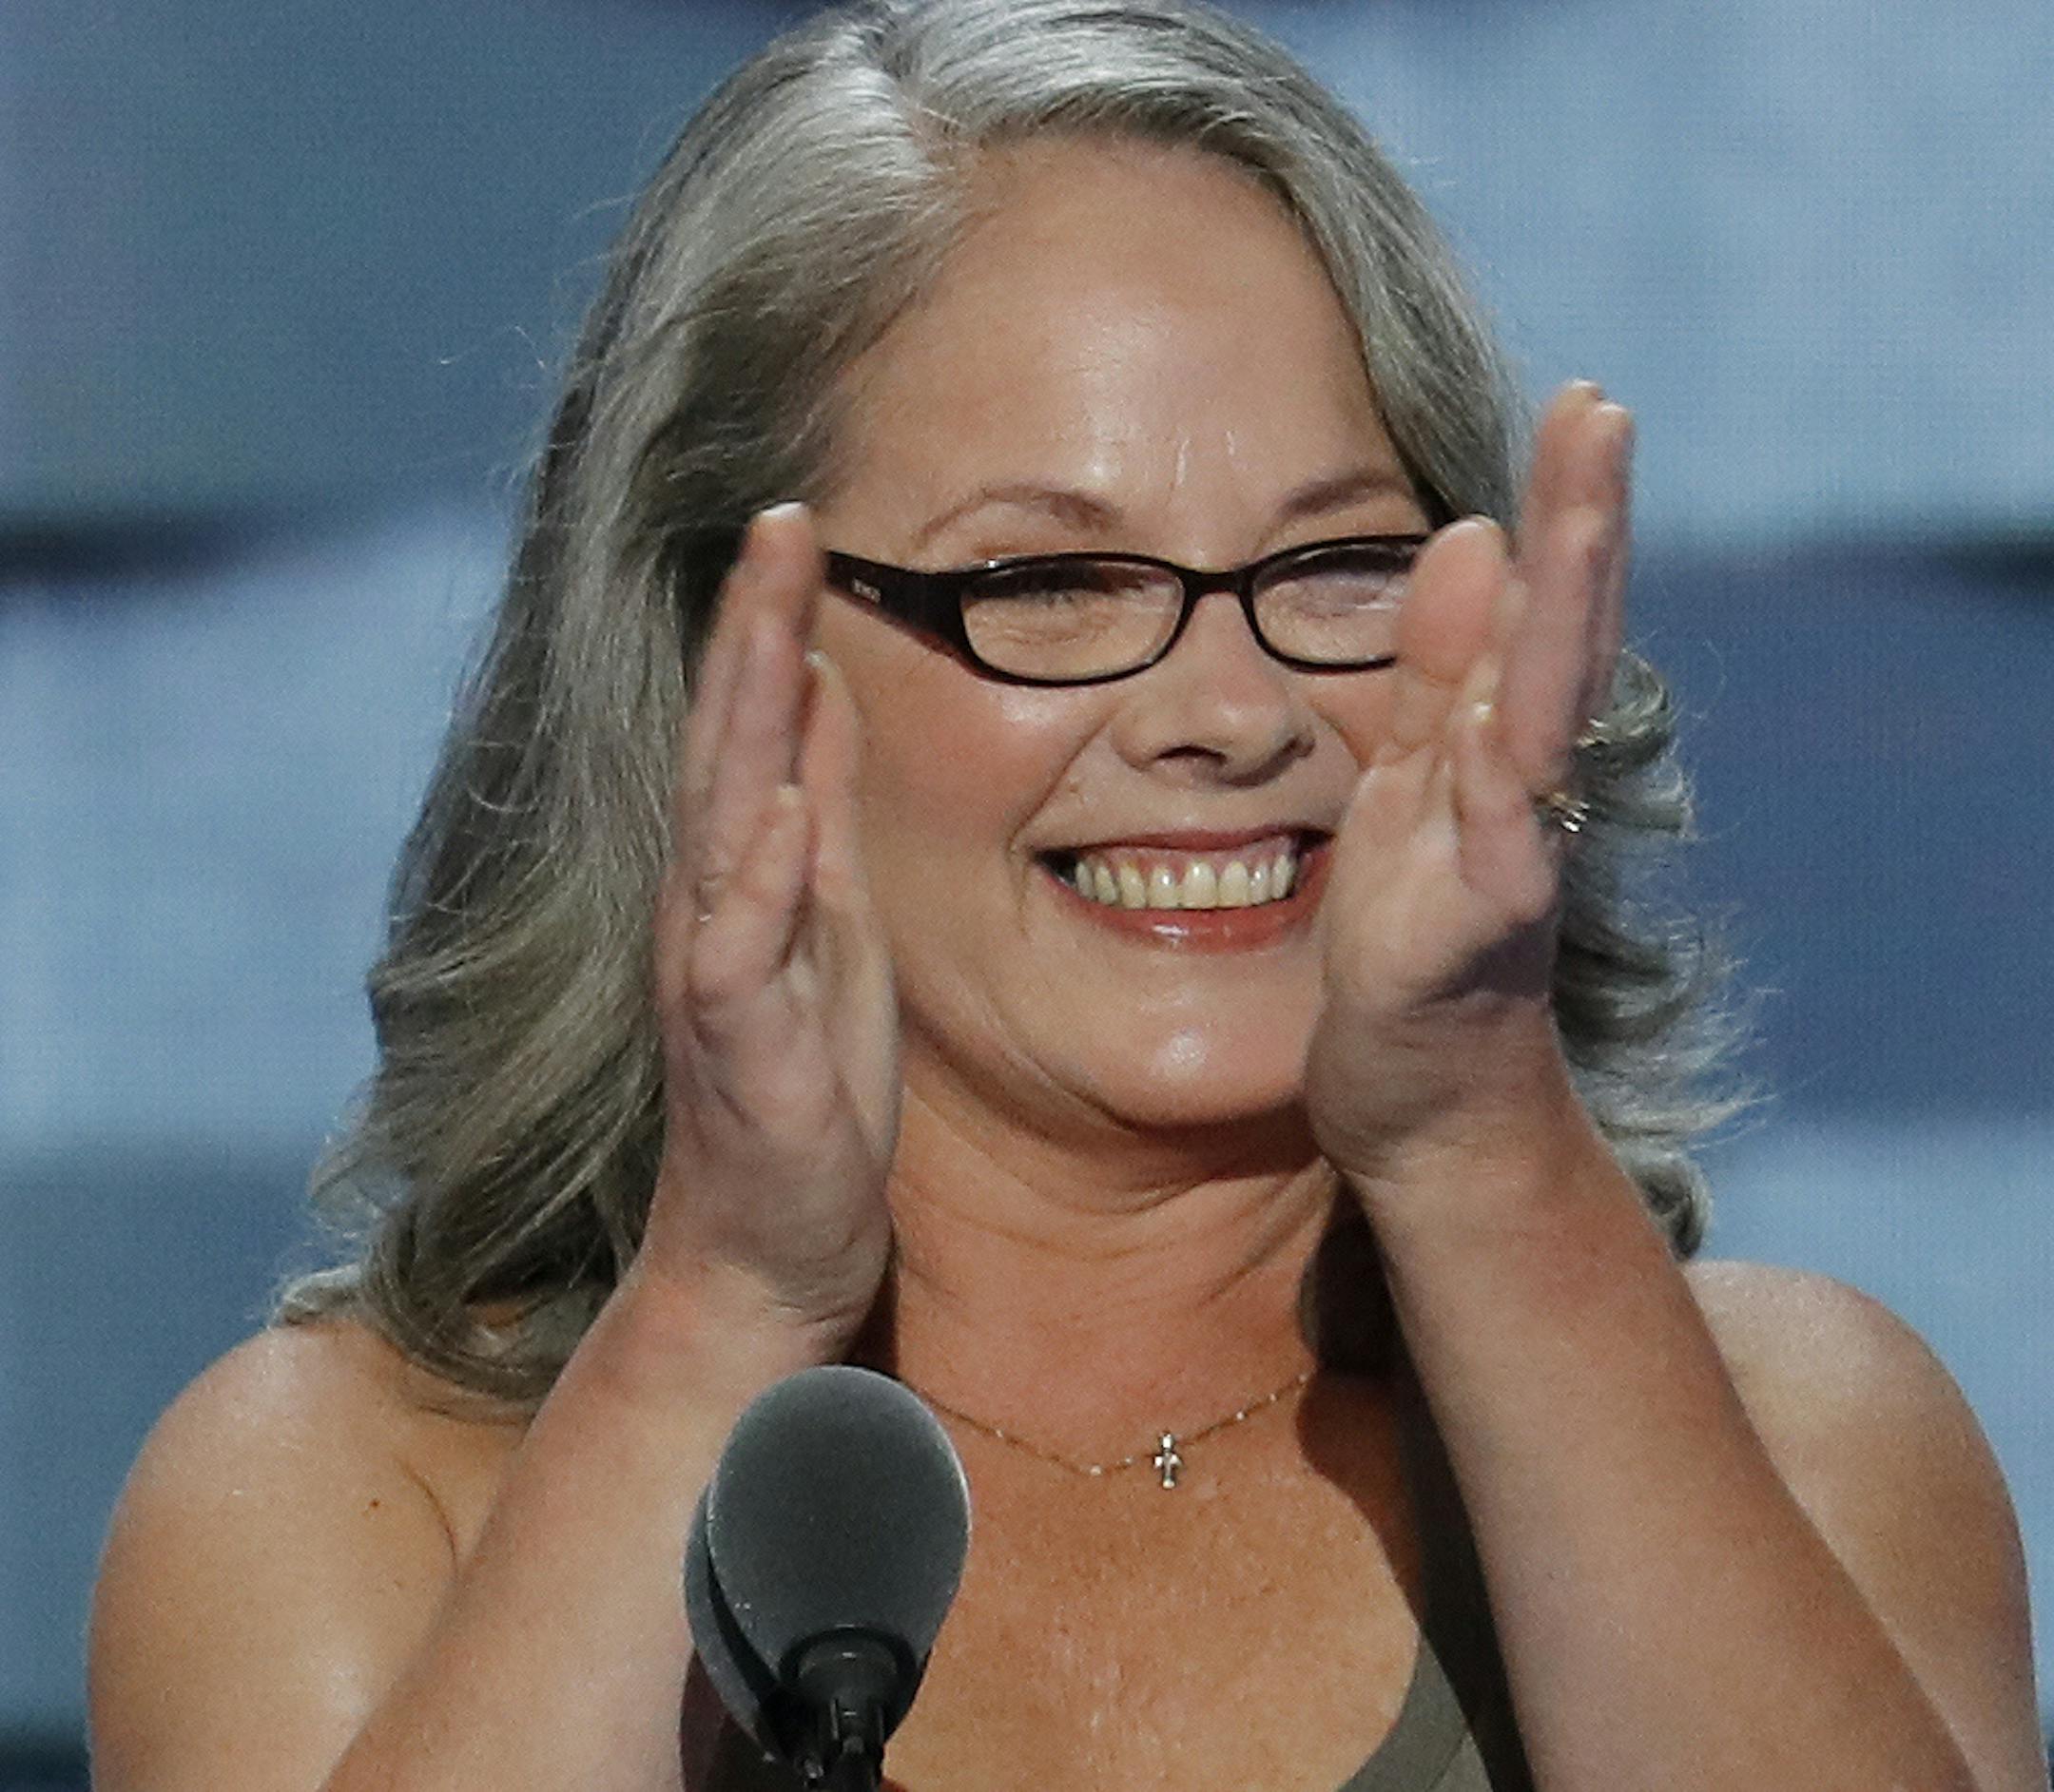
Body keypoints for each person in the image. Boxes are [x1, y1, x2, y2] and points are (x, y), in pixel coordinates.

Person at [87, 2, 2043, 1787]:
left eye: (1337, 561)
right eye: (1047, 584)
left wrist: (1476, 1147)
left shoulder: (1803, 1437)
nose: (1227, 709)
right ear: (727, 676)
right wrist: (728, 1302)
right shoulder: (351, 1500)